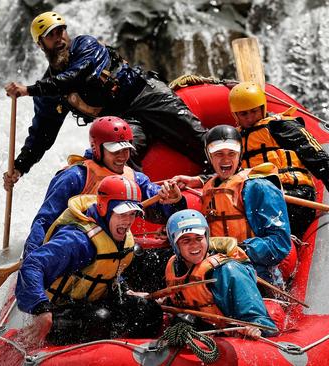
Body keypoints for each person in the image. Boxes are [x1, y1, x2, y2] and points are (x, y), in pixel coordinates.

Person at [3, 11, 207, 187]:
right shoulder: (49, 90)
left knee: (198, 138)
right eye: (51, 36)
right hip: (123, 122)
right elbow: (41, 136)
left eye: (60, 31)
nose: (59, 39)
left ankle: (231, 177)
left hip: (146, 96)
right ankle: (139, 213)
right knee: (117, 161)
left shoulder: (86, 45)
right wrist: (19, 168)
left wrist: (28, 90)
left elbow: (77, 76)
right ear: (41, 44)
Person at [15, 175, 163, 346]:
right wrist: (41, 309)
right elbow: (32, 265)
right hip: (58, 310)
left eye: (132, 214)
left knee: (149, 311)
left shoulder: (118, 234)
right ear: (104, 208)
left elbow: (105, 270)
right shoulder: (77, 240)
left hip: (91, 302)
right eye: (122, 214)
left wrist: (125, 290)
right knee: (100, 318)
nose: (128, 221)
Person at [20, 116, 184, 258]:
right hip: (74, 249)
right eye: (115, 151)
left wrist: (172, 200)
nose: (122, 156)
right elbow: (44, 221)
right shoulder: (75, 177)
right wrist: (32, 257)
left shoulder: (134, 179)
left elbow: (158, 205)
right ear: (97, 149)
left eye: (126, 149)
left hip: (112, 250)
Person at [227, 81, 329, 238]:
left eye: (254, 111)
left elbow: (321, 161)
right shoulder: (234, 140)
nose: (250, 118)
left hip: (296, 196)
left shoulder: (283, 126)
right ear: (235, 115)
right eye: (244, 114)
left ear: (263, 108)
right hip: (259, 199)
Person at [173, 125, 294, 285]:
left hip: (257, 275)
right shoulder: (210, 186)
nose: (225, 160)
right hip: (216, 271)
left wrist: (239, 249)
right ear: (209, 156)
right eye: (218, 154)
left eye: (231, 153)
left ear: (240, 154)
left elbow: (280, 243)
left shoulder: (258, 187)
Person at [163, 209, 278, 339]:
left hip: (226, 335)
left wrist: (256, 328)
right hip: (199, 330)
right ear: (175, 245)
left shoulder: (227, 271)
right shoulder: (174, 266)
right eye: (186, 241)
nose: (194, 245)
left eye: (199, 238)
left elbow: (262, 323)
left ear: (206, 238)